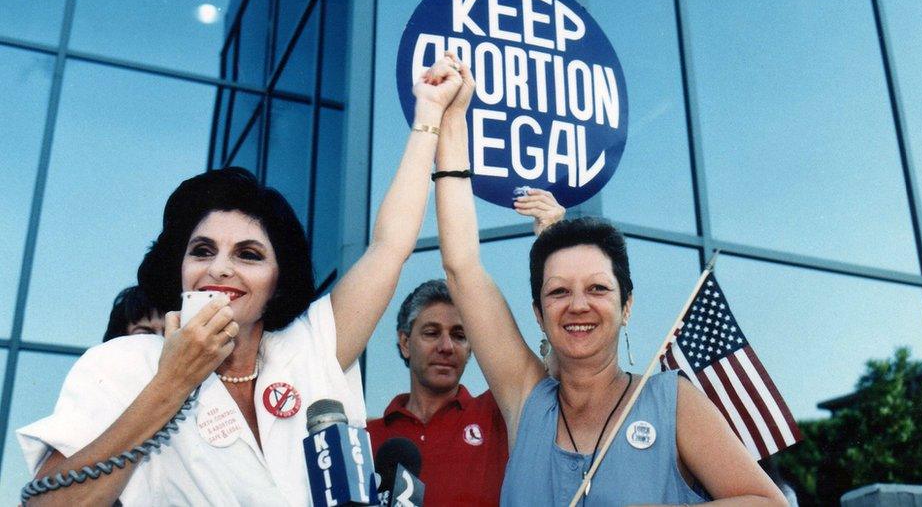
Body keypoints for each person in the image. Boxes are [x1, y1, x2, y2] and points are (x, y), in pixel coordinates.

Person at [17, 54, 465, 505]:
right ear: (180, 269)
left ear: (277, 280)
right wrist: (171, 383)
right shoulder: (123, 365)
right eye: (202, 251)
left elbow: (390, 246)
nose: (220, 268)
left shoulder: (311, 348)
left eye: (248, 255)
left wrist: (428, 113)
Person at [433, 59, 789, 505]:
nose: (578, 304)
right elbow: (461, 267)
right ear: (539, 316)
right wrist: (450, 121)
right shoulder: (525, 398)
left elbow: (766, 501)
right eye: (559, 291)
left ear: (626, 307)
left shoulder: (669, 400)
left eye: (598, 289)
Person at [366, 192, 562, 506]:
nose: (446, 346)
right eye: (431, 333)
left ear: (472, 347)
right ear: (405, 342)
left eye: (459, 335)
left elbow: (559, 367)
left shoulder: (497, 413)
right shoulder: (365, 437)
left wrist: (552, 238)